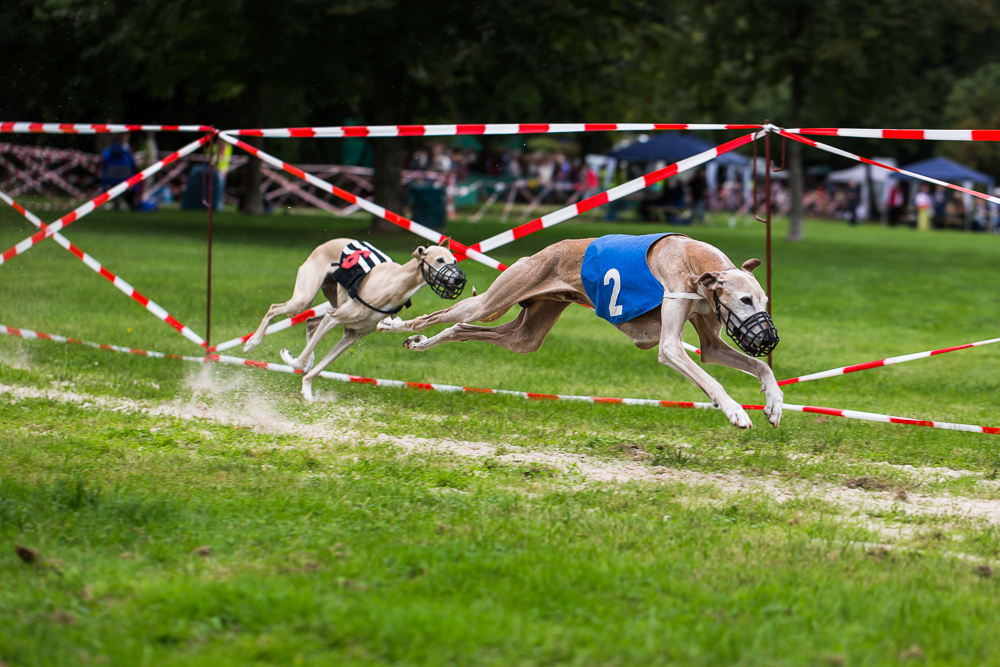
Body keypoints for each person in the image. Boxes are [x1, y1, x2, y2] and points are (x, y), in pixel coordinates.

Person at [101, 133, 138, 210]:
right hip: (126, 182)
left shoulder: (108, 152)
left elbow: (103, 163)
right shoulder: (128, 153)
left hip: (111, 182)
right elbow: (133, 166)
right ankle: (130, 203)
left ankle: (117, 202)